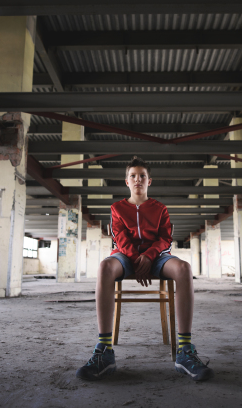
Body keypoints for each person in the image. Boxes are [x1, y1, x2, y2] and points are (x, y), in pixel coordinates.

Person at [76, 156, 214, 382]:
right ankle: (104, 351)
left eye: (142, 176)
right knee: (104, 267)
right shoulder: (117, 208)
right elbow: (119, 238)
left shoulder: (159, 209)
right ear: (126, 181)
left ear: (149, 181)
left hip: (157, 256)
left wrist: (149, 257)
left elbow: (165, 239)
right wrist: (136, 261)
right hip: (125, 256)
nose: (137, 179)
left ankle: (185, 351)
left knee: (184, 268)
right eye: (133, 176)